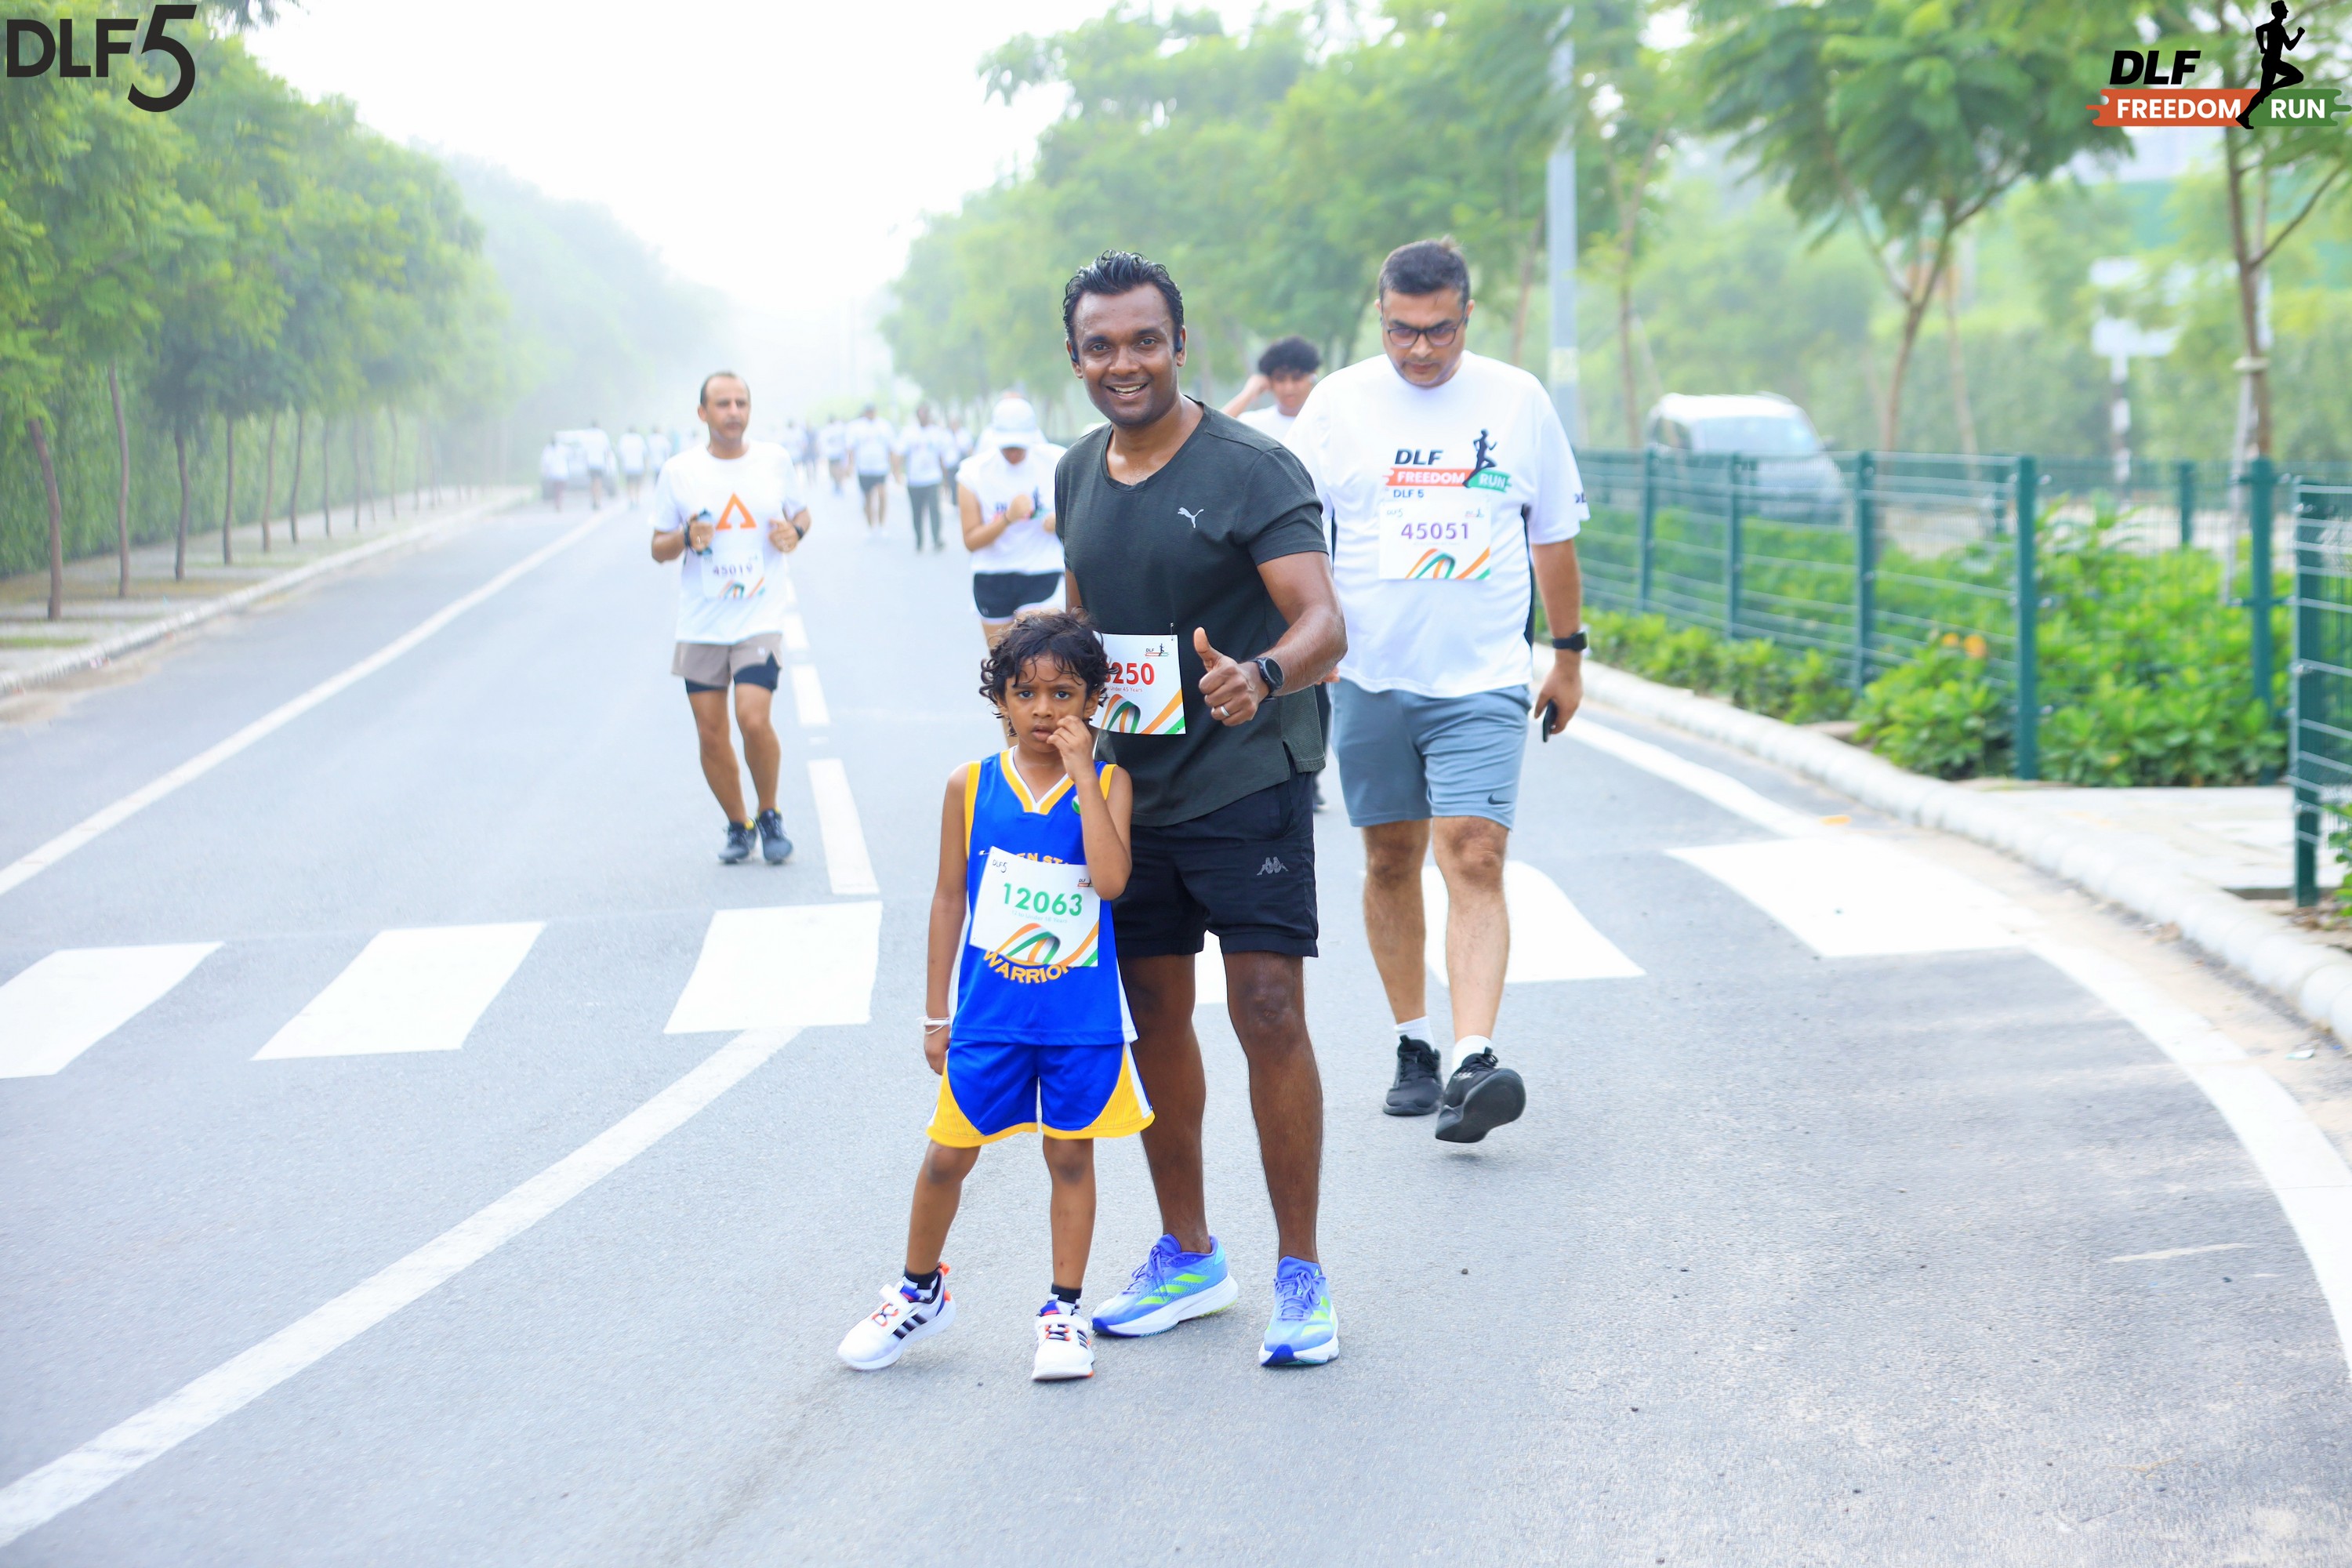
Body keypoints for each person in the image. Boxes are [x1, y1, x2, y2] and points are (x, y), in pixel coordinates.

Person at [1053, 251, 1348, 1367]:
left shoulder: (1252, 469)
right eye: (1101, 346)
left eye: (1145, 340)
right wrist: (1047, 712)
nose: (1124, 362)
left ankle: (1301, 1272)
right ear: (1076, 357)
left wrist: (1263, 674)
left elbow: (1324, 622)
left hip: (1247, 773)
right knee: (1152, 1018)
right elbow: (1083, 622)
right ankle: (1188, 1253)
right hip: (1131, 791)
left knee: (1267, 1010)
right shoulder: (1076, 473)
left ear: (1181, 345)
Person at [1283, 236, 1588, 1145]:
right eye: (1402, 331)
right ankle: (1414, 1041)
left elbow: (1553, 536)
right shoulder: (1337, 404)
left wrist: (1568, 655)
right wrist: (1306, 639)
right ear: (1381, 316)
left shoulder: (1518, 400)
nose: (1420, 349)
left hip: (1484, 675)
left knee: (1475, 853)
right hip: (1370, 674)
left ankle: (1473, 1057)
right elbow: (1293, 529)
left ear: (1467, 315)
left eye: (1440, 331)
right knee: (1389, 858)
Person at [837, 613, 1147, 1382]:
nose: (1044, 710)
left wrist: (1084, 776)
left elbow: (1111, 881)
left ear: (1094, 701)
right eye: (1025, 693)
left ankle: (1064, 1310)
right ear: (1000, 699)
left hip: (1077, 1018)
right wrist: (935, 1012)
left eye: (1063, 694)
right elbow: (949, 898)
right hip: (990, 1015)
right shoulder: (969, 785)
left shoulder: (1110, 785)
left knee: (1069, 1153)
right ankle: (918, 1291)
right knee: (948, 1154)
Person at [648, 372, 813, 866]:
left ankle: (770, 814)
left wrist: (794, 534)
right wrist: (686, 538)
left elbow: (801, 515)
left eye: (741, 402)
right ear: (703, 413)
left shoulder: (774, 461)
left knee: (753, 718)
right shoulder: (679, 472)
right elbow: (658, 548)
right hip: (701, 623)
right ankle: (739, 825)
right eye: (723, 404)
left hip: (759, 616)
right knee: (711, 732)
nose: (733, 412)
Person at [958, 397, 1066, 645]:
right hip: (992, 576)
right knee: (1002, 661)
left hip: (1042, 570)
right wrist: (1007, 518)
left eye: (1019, 446)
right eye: (1007, 446)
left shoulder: (1057, 461)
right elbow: (971, 541)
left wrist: (1060, 521)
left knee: (1034, 652)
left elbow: (1081, 514)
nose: (1013, 453)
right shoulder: (973, 473)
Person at [1221, 336, 1323, 441]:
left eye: (1297, 378)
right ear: (1269, 381)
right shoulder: (1253, 425)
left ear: (1312, 376)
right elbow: (1212, 429)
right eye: (1280, 379)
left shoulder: (1325, 422)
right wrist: (1247, 394)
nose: (1289, 388)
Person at [898, 403, 953, 552]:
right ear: (917, 416)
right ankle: (919, 540)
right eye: (921, 414)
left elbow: (942, 457)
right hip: (914, 480)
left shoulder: (937, 433)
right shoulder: (909, 433)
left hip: (932, 479)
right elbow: (901, 454)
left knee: (935, 510)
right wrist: (897, 473)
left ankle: (936, 539)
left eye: (925, 414)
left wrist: (945, 479)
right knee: (917, 512)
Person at [846, 404, 896, 529]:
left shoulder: (884, 426)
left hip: (880, 468)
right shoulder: (857, 427)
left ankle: (881, 525)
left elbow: (891, 448)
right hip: (864, 469)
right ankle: (870, 526)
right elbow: (851, 448)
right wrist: (850, 465)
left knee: (882, 496)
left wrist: (894, 467)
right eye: (868, 411)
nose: (870, 413)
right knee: (868, 499)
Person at [619, 426, 649, 503]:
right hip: (638, 466)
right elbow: (645, 453)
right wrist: (645, 465)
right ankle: (637, 498)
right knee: (638, 484)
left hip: (628, 466)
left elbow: (620, 454)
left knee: (629, 484)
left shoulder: (624, 439)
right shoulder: (639, 439)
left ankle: (631, 499)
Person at [538, 435, 568, 511]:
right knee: (559, 490)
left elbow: (545, 462)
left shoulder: (551, 449)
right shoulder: (553, 449)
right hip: (558, 473)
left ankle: (558, 503)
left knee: (558, 490)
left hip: (558, 473)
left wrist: (545, 472)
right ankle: (558, 503)